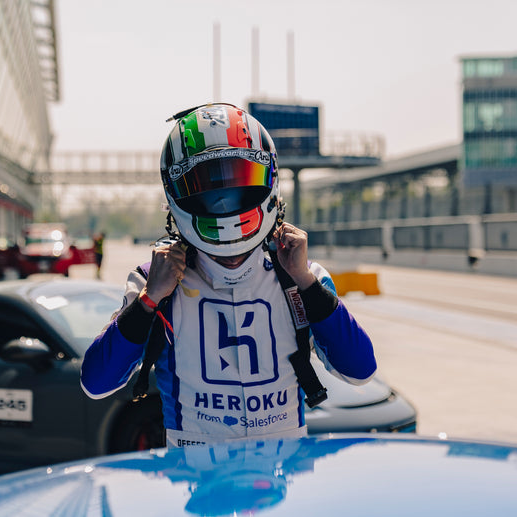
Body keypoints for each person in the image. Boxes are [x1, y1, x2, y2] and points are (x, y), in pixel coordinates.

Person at [80, 103, 376, 447]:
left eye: (239, 181)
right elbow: (96, 383)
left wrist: (307, 284)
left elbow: (361, 371)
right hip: (195, 473)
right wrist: (149, 299)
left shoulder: (301, 277)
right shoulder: (153, 281)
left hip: (282, 473)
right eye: (205, 186)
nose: (223, 201)